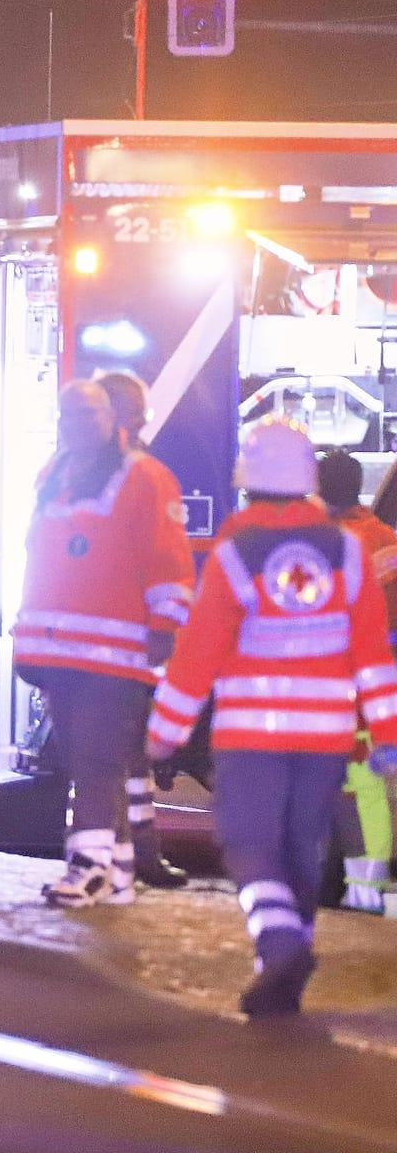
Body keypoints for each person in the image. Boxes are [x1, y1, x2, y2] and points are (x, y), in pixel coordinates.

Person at [149, 418, 397, 1015]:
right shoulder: (347, 553)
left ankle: (280, 943)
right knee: (298, 849)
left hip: (252, 737)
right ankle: (284, 967)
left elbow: (197, 653)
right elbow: (372, 654)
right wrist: (387, 736)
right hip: (327, 738)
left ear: (248, 481)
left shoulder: (237, 553)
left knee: (249, 845)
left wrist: (163, 735)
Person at [13, 381, 194, 905]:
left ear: (107, 417)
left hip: (115, 655)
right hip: (59, 652)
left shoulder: (146, 477)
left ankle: (89, 867)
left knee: (96, 761)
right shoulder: (52, 475)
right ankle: (117, 874)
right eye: (67, 415)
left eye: (87, 414)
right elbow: (39, 558)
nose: (75, 424)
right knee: (87, 760)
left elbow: (168, 559)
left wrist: (166, 625)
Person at [92, 370, 194, 889]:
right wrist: (165, 632)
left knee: (123, 761)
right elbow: (168, 564)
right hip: (119, 643)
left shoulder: (77, 471)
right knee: (119, 760)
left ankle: (130, 857)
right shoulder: (142, 474)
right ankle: (124, 860)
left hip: (102, 645)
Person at [317, 447, 397, 914]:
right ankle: (362, 887)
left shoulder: (321, 543)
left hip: (334, 687)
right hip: (375, 687)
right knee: (365, 791)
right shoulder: (385, 538)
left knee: (343, 793)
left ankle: (350, 888)